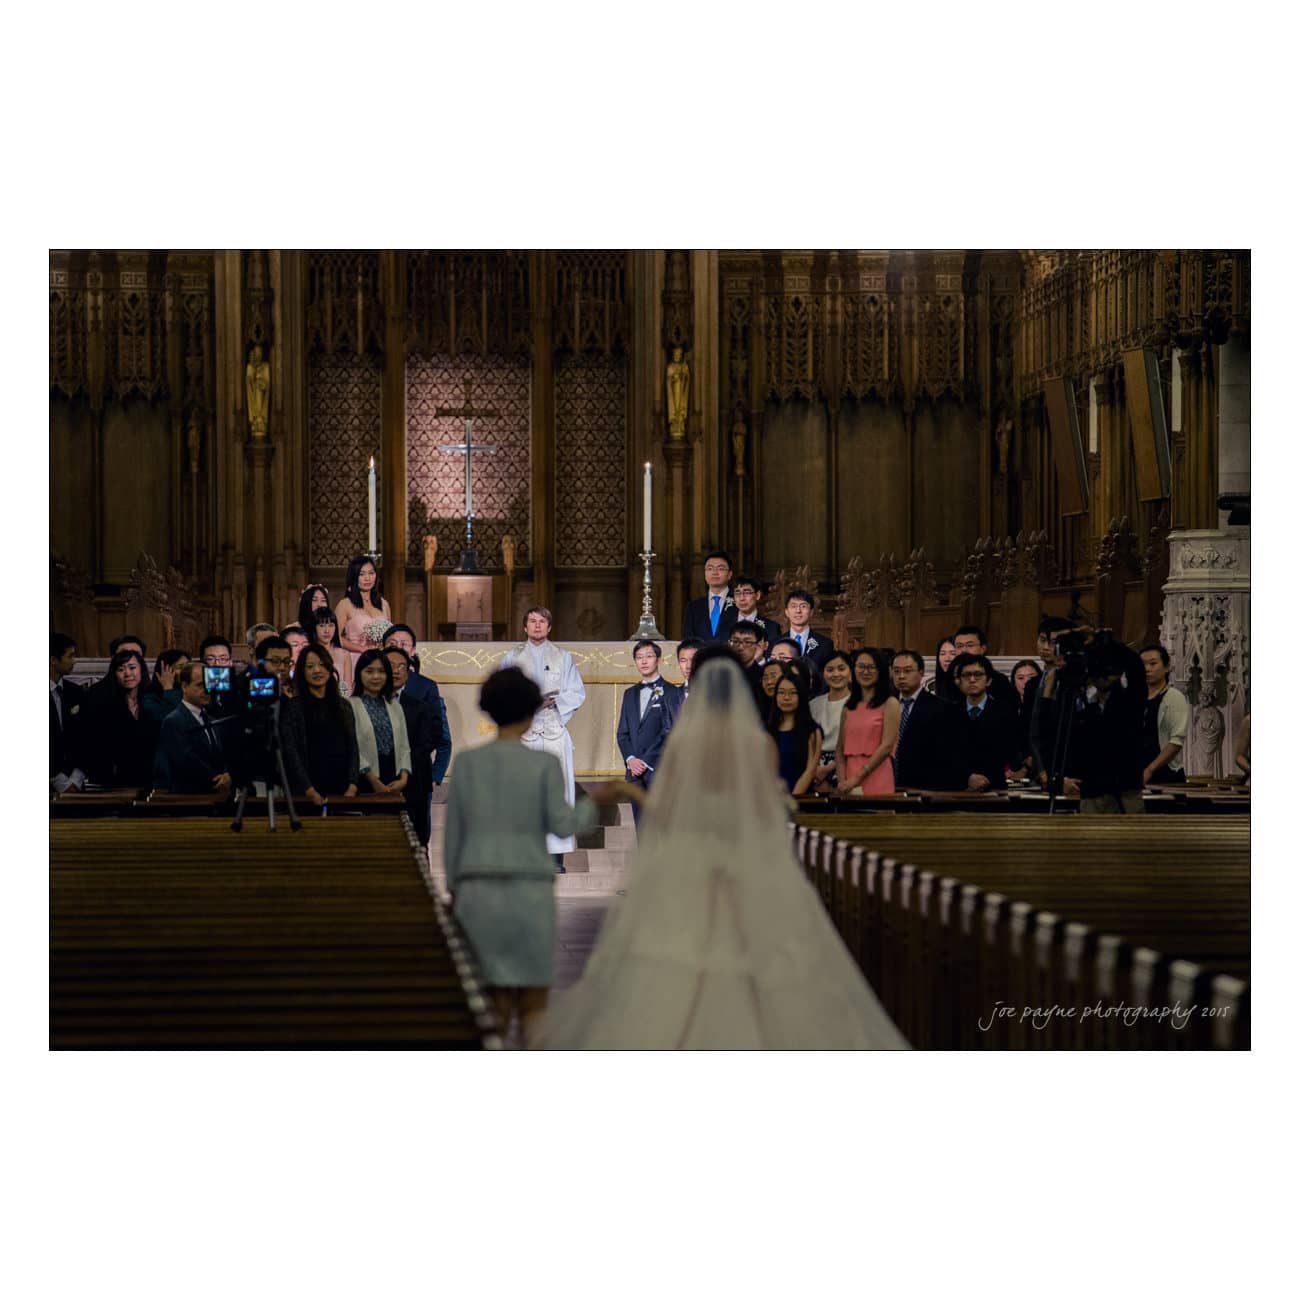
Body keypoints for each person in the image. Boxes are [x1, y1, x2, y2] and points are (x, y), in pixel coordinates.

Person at [538, 658, 909, 1050]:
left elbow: (667, 811)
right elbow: (765, 807)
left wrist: (628, 793)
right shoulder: (758, 741)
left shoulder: (685, 742)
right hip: (743, 864)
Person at [444, 667, 617, 1048]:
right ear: (529, 713)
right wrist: (599, 803)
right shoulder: (542, 764)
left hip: (478, 885)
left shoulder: (470, 764)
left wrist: (455, 889)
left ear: (489, 710)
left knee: (489, 990)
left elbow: (455, 835)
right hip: (530, 885)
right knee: (533, 989)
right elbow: (563, 821)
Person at [499, 607, 586, 868]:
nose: (537, 626)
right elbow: (501, 693)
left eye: (542, 622)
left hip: (553, 731)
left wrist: (553, 702)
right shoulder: (512, 657)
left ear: (549, 627)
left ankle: (555, 857)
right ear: (524, 627)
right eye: (532, 621)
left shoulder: (563, 656)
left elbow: (576, 692)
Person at [280, 645, 360, 804]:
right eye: (310, 666)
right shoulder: (293, 707)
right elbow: (291, 753)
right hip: (306, 791)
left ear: (330, 669)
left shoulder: (344, 706)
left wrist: (352, 786)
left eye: (322, 665)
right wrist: (308, 790)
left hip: (342, 790)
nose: (317, 670)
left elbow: (353, 748)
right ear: (302, 671)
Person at [617, 640, 680, 822]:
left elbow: (670, 731)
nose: (643, 661)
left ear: (658, 660)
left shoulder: (672, 692)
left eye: (649, 656)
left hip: (659, 769)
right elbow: (622, 733)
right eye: (639, 657)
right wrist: (631, 760)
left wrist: (646, 761)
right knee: (641, 828)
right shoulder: (629, 694)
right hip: (634, 774)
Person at [383, 623, 452, 787]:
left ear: (413, 651)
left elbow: (441, 736)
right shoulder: (372, 687)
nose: (398, 648)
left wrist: (435, 775)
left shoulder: (426, 687)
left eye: (404, 644)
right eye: (392, 644)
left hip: (417, 774)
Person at [889, 648, 966, 791]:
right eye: (896, 671)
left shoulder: (941, 708)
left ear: (921, 672)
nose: (901, 676)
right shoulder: (886, 705)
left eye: (907, 671)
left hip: (925, 787)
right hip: (888, 784)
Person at [152, 662, 233, 795]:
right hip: (188, 797)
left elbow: (221, 755)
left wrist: (227, 776)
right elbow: (187, 761)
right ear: (184, 686)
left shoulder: (211, 719)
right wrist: (218, 781)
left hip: (214, 796)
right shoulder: (174, 721)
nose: (207, 690)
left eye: (209, 685)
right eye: (200, 685)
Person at [386, 645, 438, 847]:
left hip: (414, 783)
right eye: (391, 666)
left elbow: (428, 741)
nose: (397, 671)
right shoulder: (364, 704)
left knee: (417, 842)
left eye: (402, 667)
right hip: (379, 783)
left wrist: (403, 771)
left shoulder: (419, 707)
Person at [82, 649, 157, 789]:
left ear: (142, 670)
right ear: (114, 675)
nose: (127, 673)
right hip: (115, 782)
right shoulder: (105, 704)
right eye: (121, 669)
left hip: (151, 778)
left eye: (132, 668)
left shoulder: (152, 700)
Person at [952, 652, 1021, 790]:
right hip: (958, 788)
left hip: (995, 788)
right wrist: (968, 777)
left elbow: (1011, 752)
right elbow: (946, 755)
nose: (972, 679)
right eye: (966, 675)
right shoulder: (949, 713)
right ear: (959, 681)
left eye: (978, 675)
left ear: (989, 680)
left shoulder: (1005, 712)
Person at [836, 647, 899, 796]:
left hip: (877, 775)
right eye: (861, 667)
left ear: (881, 671)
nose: (865, 672)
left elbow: (887, 746)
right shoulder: (848, 707)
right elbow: (839, 749)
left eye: (871, 667)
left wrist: (857, 778)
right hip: (849, 778)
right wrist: (842, 780)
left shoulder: (890, 703)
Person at [348, 649, 411, 796]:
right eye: (369, 671)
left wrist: (403, 778)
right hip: (364, 779)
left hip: (394, 779)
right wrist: (373, 781)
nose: (376, 677)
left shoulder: (394, 705)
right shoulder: (350, 705)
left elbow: (404, 746)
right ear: (359, 673)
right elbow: (353, 748)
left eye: (381, 671)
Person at [1139, 643, 1189, 786]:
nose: (1147, 669)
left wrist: (1150, 769)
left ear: (1166, 667)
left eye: (1153, 664)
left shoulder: (1174, 697)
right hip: (1137, 773)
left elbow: (1176, 741)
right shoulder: (1135, 697)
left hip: (1165, 773)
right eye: (1143, 664)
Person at [767, 667, 822, 796]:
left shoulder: (812, 731)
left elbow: (810, 771)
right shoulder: (767, 730)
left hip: (800, 800)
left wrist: (792, 799)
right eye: (781, 693)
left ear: (801, 696)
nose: (786, 698)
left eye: (792, 693)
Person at [335, 554, 393, 671]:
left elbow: (390, 635)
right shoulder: (345, 604)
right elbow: (335, 637)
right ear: (354, 577)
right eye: (362, 574)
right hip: (355, 659)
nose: (368, 578)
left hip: (380, 659)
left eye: (371, 573)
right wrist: (362, 649)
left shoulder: (383, 604)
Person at [50, 632, 87, 795]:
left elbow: (86, 736)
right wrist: (58, 780)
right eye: (70, 656)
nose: (74, 661)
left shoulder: (76, 692)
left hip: (75, 780)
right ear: (53, 660)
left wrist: (76, 778)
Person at [810, 649, 852, 791]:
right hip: (815, 768)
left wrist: (827, 769)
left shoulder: (856, 703)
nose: (836, 674)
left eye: (841, 669)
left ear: (850, 672)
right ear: (823, 673)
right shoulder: (814, 704)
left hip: (844, 766)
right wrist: (815, 768)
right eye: (830, 669)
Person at [951, 625, 1016, 705]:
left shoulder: (998, 680)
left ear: (983, 648)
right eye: (959, 646)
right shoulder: (949, 678)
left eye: (970, 645)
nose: (964, 650)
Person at [681, 550, 737, 642]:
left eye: (720, 569)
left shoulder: (739, 604)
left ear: (730, 574)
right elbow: (688, 640)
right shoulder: (693, 607)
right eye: (710, 568)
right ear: (705, 574)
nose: (714, 572)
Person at [784, 588, 834, 677]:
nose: (798, 611)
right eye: (793, 606)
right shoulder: (776, 642)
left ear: (811, 612)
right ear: (787, 612)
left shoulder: (825, 644)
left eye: (803, 606)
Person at [1007, 658, 1043, 780]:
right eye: (1020, 678)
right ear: (1014, 681)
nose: (1026, 682)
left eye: (1031, 677)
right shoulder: (1007, 708)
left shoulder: (1045, 706)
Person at [140, 648, 190, 728]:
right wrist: (168, 689)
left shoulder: (190, 692)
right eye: (180, 667)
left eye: (188, 665)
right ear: (164, 671)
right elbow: (171, 722)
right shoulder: (150, 698)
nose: (187, 671)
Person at [731, 575, 781, 649]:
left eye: (747, 592)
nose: (741, 598)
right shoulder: (723, 625)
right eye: (737, 593)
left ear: (757, 595)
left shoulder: (771, 628)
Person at [311, 607, 353, 692]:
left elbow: (348, 686)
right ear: (314, 628)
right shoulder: (309, 654)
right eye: (321, 625)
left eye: (331, 625)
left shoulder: (344, 654)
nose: (327, 630)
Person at [925, 637, 961, 703]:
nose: (947, 659)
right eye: (942, 654)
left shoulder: (965, 685)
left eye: (953, 654)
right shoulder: (930, 685)